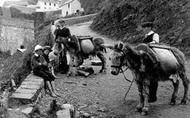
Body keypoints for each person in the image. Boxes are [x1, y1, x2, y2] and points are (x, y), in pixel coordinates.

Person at [141, 22, 159, 103]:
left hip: (153, 54)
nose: (143, 29)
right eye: (143, 28)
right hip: (146, 55)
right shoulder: (146, 36)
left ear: (149, 28)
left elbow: (156, 42)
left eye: (145, 28)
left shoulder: (155, 35)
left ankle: (153, 96)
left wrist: (148, 44)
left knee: (153, 79)